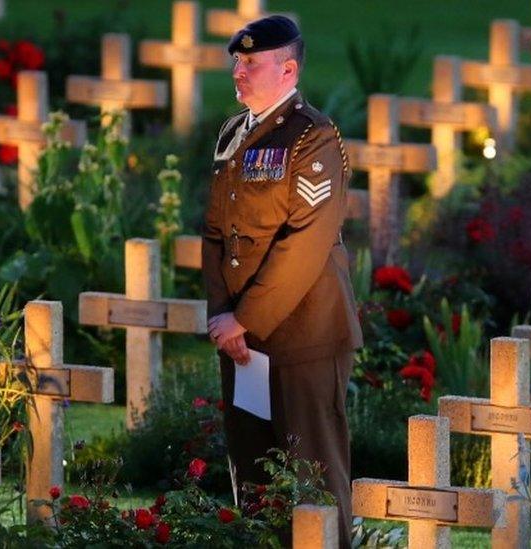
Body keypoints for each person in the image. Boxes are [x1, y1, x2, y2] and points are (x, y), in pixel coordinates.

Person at [202, 15, 362, 548]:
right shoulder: (233, 133)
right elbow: (215, 234)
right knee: (253, 477)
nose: (238, 71)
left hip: (304, 336)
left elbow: (305, 244)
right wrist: (224, 319)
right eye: (237, 62)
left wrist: (243, 317)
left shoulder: (312, 137)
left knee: (313, 477)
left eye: (251, 63)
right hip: (243, 341)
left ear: (288, 69)